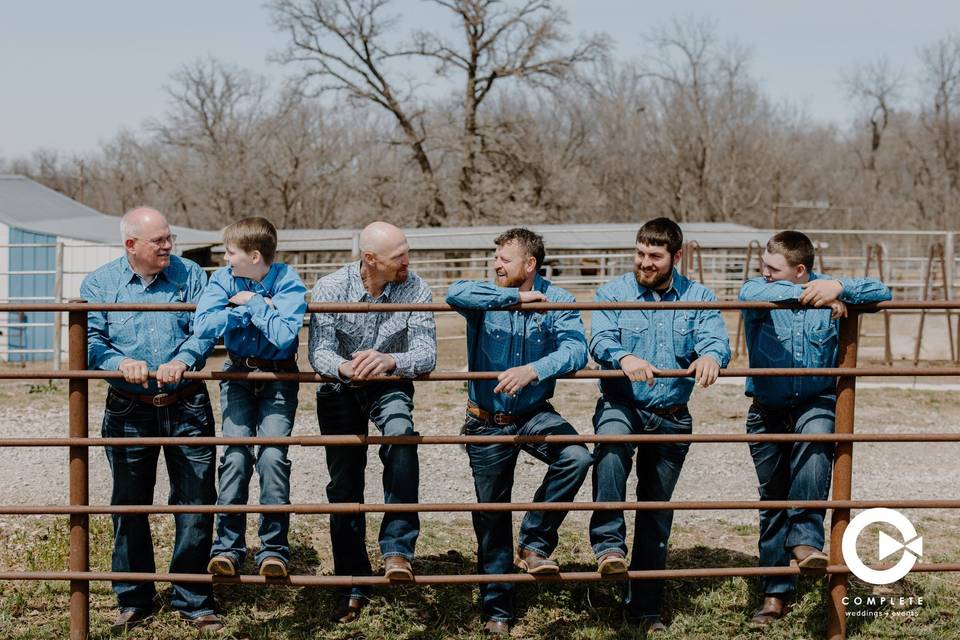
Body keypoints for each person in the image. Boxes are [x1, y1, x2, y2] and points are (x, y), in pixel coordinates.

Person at [739, 230, 891, 626]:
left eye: (773, 268)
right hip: (768, 409)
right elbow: (750, 294)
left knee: (818, 437)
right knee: (772, 500)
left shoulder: (829, 287)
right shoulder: (761, 289)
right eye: (764, 265)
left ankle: (806, 543)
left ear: (800, 269)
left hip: (814, 402)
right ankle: (774, 593)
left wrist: (840, 288)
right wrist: (816, 297)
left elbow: (882, 291)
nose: (765, 273)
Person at [81, 207, 222, 633]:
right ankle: (134, 596)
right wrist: (119, 361)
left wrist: (185, 358)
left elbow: (207, 326)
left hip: (186, 402)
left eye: (168, 238)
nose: (167, 246)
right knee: (129, 503)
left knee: (196, 501)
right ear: (131, 245)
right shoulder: (100, 284)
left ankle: (193, 597)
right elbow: (89, 337)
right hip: (129, 405)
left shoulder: (192, 275)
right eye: (158, 240)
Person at [446, 227, 593, 637]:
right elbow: (454, 293)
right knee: (492, 514)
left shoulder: (558, 300)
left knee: (576, 456)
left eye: (504, 259)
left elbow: (576, 349)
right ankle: (497, 608)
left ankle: (534, 541)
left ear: (529, 264)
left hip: (533, 412)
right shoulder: (485, 296)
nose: (496, 264)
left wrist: (534, 370)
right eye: (495, 257)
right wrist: (513, 298)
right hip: (486, 418)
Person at [588, 217, 731, 633]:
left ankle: (645, 607)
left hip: (670, 413)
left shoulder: (697, 296)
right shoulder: (613, 292)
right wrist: (623, 357)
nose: (645, 263)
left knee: (655, 509)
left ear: (676, 257)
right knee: (611, 445)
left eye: (654, 256)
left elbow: (715, 339)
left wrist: (710, 357)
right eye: (640, 254)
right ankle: (609, 545)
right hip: (623, 404)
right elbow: (599, 339)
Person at [307, 221, 437, 624]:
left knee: (401, 434)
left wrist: (391, 360)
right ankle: (352, 581)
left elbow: (427, 351)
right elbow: (319, 352)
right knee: (344, 483)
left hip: (389, 383)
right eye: (398, 255)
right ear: (370, 259)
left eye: (406, 251)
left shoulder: (415, 287)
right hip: (340, 388)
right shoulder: (330, 288)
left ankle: (397, 549)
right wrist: (345, 367)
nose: (406, 261)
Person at [195, 217, 307, 579]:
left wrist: (248, 306)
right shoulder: (221, 280)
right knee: (236, 455)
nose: (226, 259)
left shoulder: (289, 282)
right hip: (238, 374)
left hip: (278, 376)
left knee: (273, 456)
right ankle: (227, 547)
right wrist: (258, 309)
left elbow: (285, 339)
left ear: (254, 256)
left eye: (230, 252)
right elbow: (205, 325)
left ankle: (274, 549)